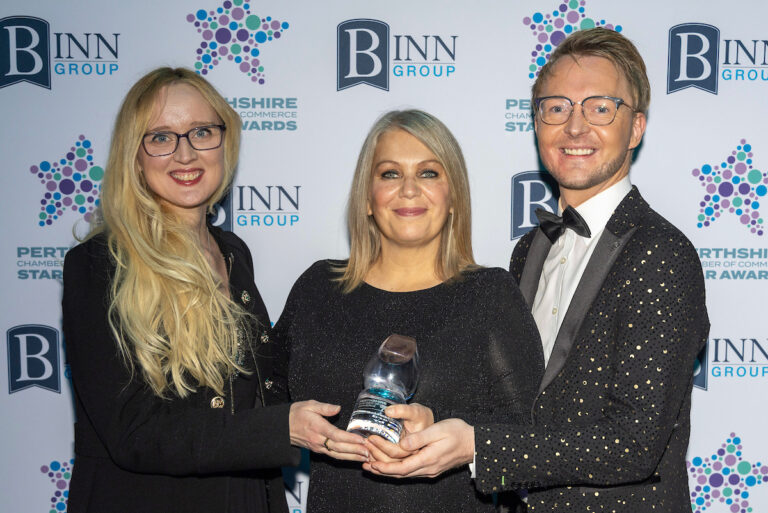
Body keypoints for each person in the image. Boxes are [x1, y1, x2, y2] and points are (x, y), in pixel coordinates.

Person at [366, 29, 710, 512]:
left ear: (635, 127)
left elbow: (634, 442)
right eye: (557, 107)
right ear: (536, 123)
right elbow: (521, 406)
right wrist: (439, 423)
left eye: (599, 107)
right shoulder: (530, 250)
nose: (575, 126)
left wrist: (476, 447)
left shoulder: (662, 254)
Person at [62, 67, 366, 513]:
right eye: (161, 137)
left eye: (202, 132)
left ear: (226, 142)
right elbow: (133, 432)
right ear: (135, 155)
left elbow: (260, 388)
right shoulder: (101, 263)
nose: (185, 154)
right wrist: (279, 430)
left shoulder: (231, 252)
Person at [272, 109, 544, 512]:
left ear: (454, 197)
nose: (410, 189)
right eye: (390, 173)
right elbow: (265, 402)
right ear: (367, 197)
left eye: (429, 173)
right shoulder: (317, 288)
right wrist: (289, 427)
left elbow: (532, 440)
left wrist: (446, 428)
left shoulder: (490, 294)